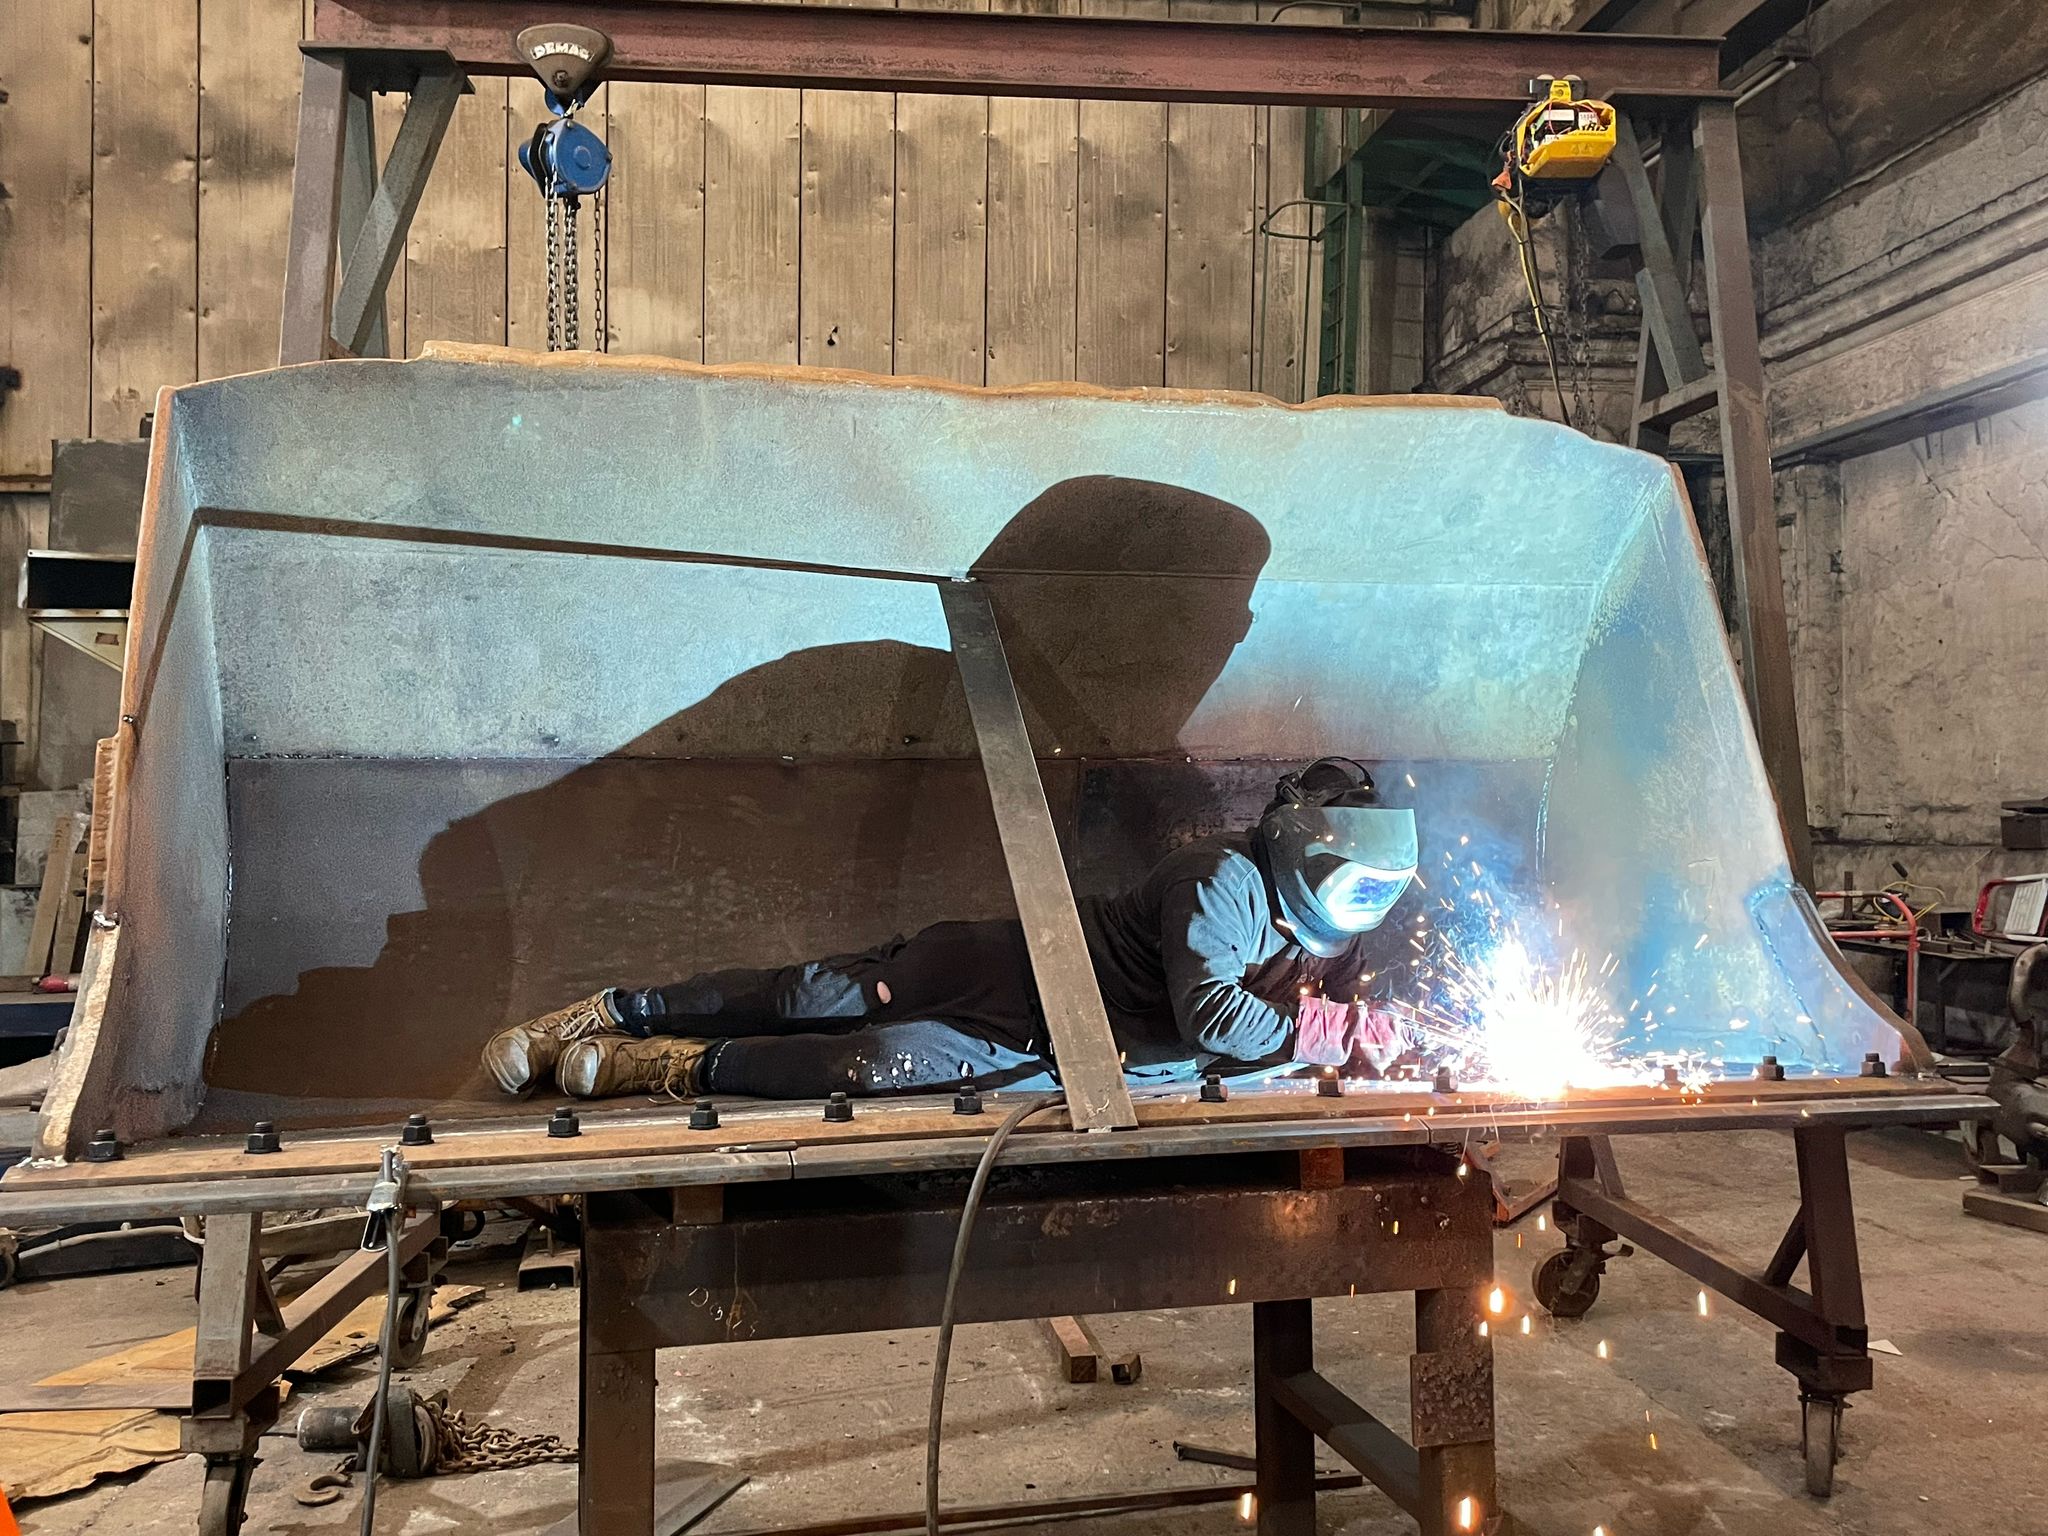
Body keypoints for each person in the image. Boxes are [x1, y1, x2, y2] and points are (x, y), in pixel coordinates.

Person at [480, 758, 1421, 1101]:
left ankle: (663, 1067)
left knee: (863, 1064)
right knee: (818, 996)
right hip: (1005, 971)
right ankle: (612, 1012)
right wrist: (1324, 1035)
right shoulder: (1224, 879)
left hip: (1043, 1050)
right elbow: (1213, 1014)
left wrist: (1385, 1042)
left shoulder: (1327, 934)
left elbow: (1329, 1020)